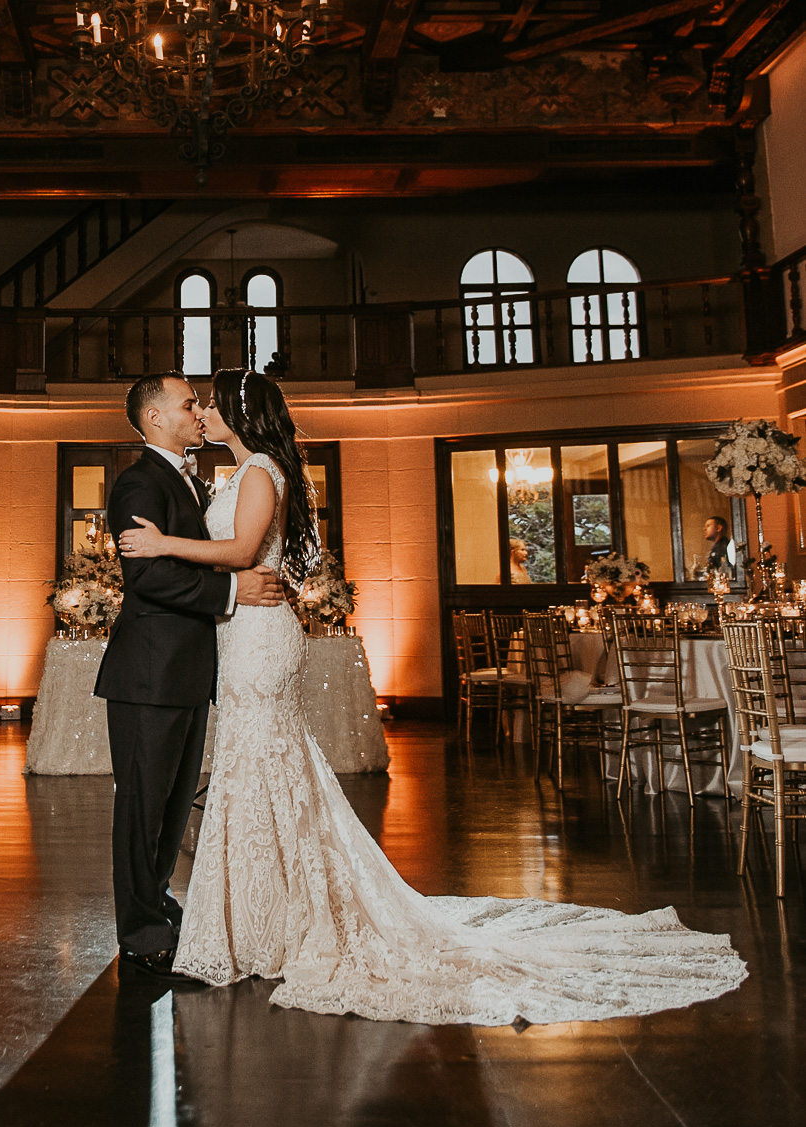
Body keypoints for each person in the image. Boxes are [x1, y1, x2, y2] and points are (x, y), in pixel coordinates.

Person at [117, 368, 747, 1026]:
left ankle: (267, 922)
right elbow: (257, 556)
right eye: (196, 405)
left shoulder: (257, 474)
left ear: (243, 416)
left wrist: (164, 544)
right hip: (245, 633)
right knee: (264, 771)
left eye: (213, 405)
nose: (203, 413)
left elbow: (245, 550)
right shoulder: (248, 473)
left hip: (257, 640)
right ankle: (268, 914)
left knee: (261, 767)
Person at [95, 372, 284, 981]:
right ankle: (141, 935)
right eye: (186, 404)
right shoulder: (137, 483)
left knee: (173, 808)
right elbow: (145, 578)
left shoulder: (193, 481)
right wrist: (233, 589)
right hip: (148, 673)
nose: (198, 411)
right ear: (154, 419)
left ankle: (159, 905)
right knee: (142, 807)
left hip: (187, 671)